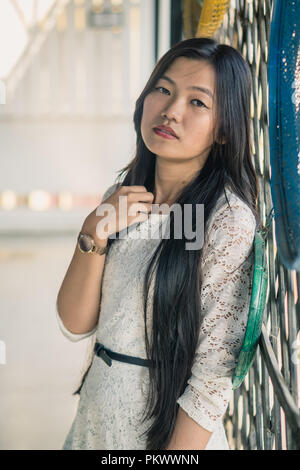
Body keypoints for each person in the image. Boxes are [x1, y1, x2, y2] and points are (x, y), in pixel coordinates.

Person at [56, 37, 261, 450]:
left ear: (224, 128)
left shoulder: (227, 220)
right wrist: (95, 228)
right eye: (163, 90)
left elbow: (212, 379)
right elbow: (75, 323)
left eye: (197, 102)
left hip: (164, 435)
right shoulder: (124, 194)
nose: (171, 110)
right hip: (97, 420)